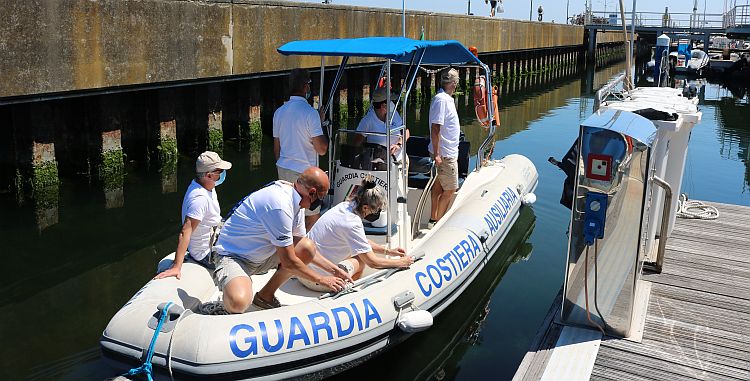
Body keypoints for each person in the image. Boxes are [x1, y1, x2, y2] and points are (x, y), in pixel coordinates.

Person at [212, 167, 347, 314]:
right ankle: (224, 305)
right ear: (312, 193)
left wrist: (334, 270)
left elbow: (300, 244)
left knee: (306, 247)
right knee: (238, 303)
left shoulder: (298, 202)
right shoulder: (280, 205)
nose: (321, 203)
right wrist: (322, 279)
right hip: (235, 257)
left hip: (262, 255)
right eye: (321, 198)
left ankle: (265, 297)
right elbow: (289, 261)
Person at [297, 177, 414, 291]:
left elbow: (362, 242)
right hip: (316, 280)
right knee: (361, 261)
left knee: (359, 253)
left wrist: (388, 251)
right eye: (376, 210)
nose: (376, 213)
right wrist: (400, 262)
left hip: (302, 270)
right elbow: (372, 262)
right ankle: (345, 291)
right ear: (365, 207)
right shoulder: (352, 223)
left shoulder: (343, 207)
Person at [155, 151, 231, 280]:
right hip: (207, 254)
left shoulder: (207, 185)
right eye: (220, 171)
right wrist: (176, 267)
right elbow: (186, 231)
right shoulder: (199, 199)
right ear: (209, 175)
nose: (222, 174)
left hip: (217, 237)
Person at [273, 68, 329, 231]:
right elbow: (322, 149)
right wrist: (320, 124)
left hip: (283, 169)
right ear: (306, 87)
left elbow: (277, 148)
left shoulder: (279, 112)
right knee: (312, 216)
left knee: (289, 214)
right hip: (304, 172)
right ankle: (303, 252)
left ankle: (287, 248)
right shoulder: (310, 113)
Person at [428, 68, 461, 229]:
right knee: (451, 189)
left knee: (439, 185)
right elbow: (436, 128)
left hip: (445, 151)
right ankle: (438, 225)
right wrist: (437, 154)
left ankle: (433, 218)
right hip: (445, 154)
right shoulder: (442, 100)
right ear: (454, 83)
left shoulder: (445, 98)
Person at [353, 87, 410, 164]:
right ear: (383, 106)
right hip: (378, 164)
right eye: (390, 101)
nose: (393, 103)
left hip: (399, 160)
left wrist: (398, 144)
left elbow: (406, 132)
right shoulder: (367, 120)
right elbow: (356, 144)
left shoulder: (393, 113)